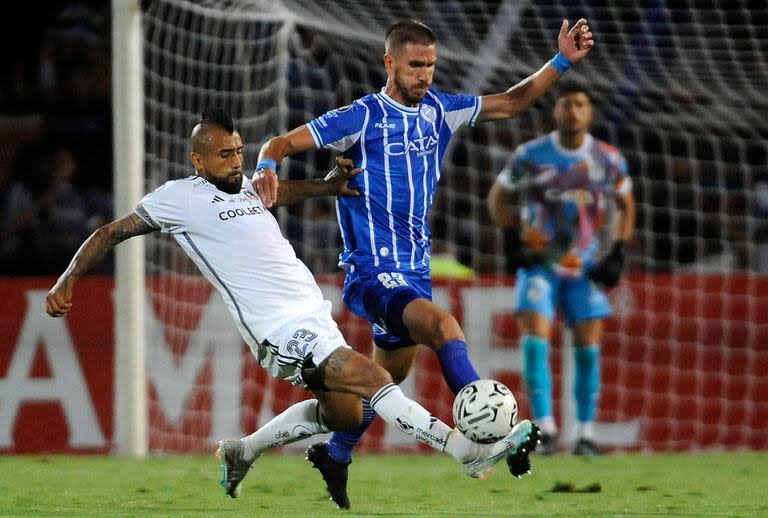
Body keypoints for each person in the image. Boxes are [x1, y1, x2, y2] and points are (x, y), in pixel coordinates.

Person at [45, 108, 540, 504]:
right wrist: (67, 280)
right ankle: (466, 451)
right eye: (223, 155)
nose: (235, 161)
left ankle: (244, 450)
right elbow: (112, 231)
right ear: (197, 161)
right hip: (274, 330)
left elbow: (275, 195)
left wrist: (325, 187)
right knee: (375, 379)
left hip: (312, 317)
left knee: (346, 414)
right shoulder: (178, 199)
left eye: (238, 151)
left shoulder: (246, 187)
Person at [252, 18, 594, 507]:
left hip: (413, 269)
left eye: (431, 65)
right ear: (390, 62)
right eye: (416, 65)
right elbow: (279, 143)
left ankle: (336, 452)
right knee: (444, 327)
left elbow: (513, 101)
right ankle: (489, 436)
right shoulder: (363, 115)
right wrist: (266, 165)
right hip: (371, 271)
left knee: (385, 382)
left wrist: (560, 61)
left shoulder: (441, 110)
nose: (425, 75)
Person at [486, 83, 636, 456]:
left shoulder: (608, 158)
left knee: (588, 350)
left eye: (580, 105)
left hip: (585, 266)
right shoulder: (530, 155)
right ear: (555, 111)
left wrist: (619, 249)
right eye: (566, 104)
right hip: (539, 263)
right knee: (535, 341)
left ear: (590, 113)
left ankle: (585, 434)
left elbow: (626, 203)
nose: (572, 111)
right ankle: (547, 430)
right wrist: (511, 238)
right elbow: (498, 196)